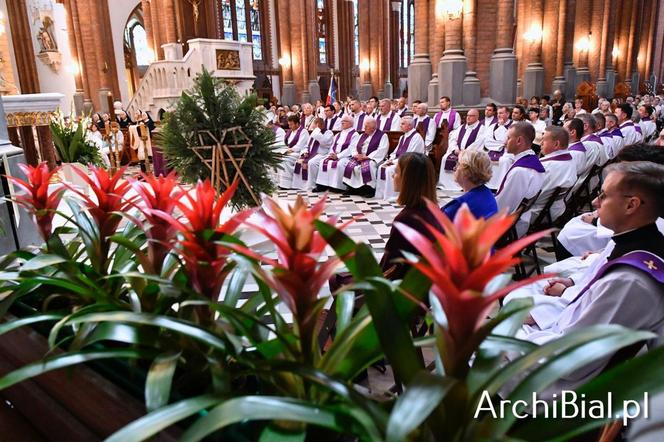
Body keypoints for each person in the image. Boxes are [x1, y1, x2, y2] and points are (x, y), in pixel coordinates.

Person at [513, 161, 664, 392]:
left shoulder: (630, 278)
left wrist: (512, 346)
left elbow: (574, 356)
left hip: (559, 386)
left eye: (603, 195)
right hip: (560, 340)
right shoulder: (630, 243)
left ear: (631, 205)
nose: (595, 202)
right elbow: (584, 302)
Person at [381, 152, 441, 280]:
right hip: (425, 280)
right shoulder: (435, 210)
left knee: (337, 280)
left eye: (397, 172)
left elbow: (390, 264)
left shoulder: (406, 219)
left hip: (406, 285)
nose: (393, 175)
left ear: (408, 180)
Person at [495, 122, 545, 237]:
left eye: (508, 138)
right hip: (519, 221)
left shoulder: (520, 171)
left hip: (508, 229)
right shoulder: (533, 162)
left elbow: (502, 208)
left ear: (519, 141)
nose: (504, 142)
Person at [527, 126, 577, 224]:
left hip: (537, 214)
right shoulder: (571, 160)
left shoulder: (545, 166)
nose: (540, 143)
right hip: (555, 210)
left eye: (544, 141)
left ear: (556, 144)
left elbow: (529, 197)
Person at [375, 117, 425, 201]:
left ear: (409, 126)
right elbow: (396, 151)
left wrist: (394, 162)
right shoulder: (403, 137)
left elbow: (411, 154)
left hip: (411, 162)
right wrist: (391, 159)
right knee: (381, 167)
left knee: (390, 170)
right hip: (399, 160)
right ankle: (382, 193)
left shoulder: (416, 137)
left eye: (402, 124)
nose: (400, 126)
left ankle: (394, 195)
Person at [441, 150, 498, 221]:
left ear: (466, 172)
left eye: (458, 164)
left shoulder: (460, 206)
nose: (454, 168)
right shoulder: (487, 193)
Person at [438, 108, 486, 190]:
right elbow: (453, 139)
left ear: (477, 117)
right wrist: (455, 149)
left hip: (470, 152)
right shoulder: (461, 127)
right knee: (445, 158)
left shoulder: (482, 128)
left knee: (465, 160)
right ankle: (445, 184)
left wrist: (465, 152)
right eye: (467, 115)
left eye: (471, 116)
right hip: (458, 151)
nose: (468, 117)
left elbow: (479, 142)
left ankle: (461, 185)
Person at [342, 117, 389, 196]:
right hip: (360, 157)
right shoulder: (362, 135)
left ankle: (368, 189)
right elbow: (353, 147)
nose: (364, 128)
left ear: (373, 128)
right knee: (350, 164)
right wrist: (356, 155)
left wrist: (367, 157)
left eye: (366, 126)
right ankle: (352, 188)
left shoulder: (382, 136)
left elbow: (382, 149)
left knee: (369, 165)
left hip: (372, 158)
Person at [314, 114, 359, 192]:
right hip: (334, 155)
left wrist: (338, 156)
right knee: (323, 162)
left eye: (344, 121)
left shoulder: (355, 134)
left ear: (351, 123)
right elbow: (332, 146)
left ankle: (338, 187)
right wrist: (331, 154)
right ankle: (322, 185)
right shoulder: (338, 134)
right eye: (342, 121)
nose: (342, 123)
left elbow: (351, 149)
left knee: (339, 164)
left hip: (346, 157)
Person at [291, 117, 334, 190]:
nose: (312, 126)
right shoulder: (314, 133)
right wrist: (304, 152)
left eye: (313, 124)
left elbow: (324, 142)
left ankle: (312, 185)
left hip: (321, 154)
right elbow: (307, 145)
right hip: (310, 153)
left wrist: (317, 130)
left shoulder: (328, 133)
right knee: (299, 161)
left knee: (311, 163)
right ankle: (300, 186)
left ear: (318, 124)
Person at [483, 106, 513, 189]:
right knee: (483, 158)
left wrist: (502, 127)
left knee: (505, 160)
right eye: (498, 113)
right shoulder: (492, 126)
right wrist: (500, 145)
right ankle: (487, 185)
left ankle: (501, 186)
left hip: (508, 152)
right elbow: (487, 142)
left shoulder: (514, 126)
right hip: (493, 150)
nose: (498, 115)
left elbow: (508, 141)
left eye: (501, 113)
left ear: (507, 114)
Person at [277, 115, 310, 189]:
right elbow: (284, 143)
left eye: (291, 124)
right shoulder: (289, 132)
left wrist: (289, 150)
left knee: (285, 159)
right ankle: (280, 182)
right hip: (289, 151)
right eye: (289, 124)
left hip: (299, 153)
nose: (289, 126)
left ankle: (286, 184)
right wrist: (283, 150)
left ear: (297, 124)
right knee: (278, 158)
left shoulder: (303, 132)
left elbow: (300, 145)